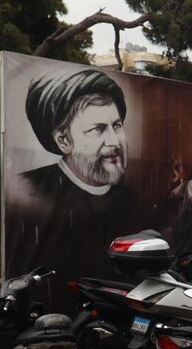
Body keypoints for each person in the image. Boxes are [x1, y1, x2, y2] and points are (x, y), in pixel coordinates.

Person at [8, 67, 134, 280]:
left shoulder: (132, 198)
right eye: (98, 129)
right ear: (63, 141)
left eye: (117, 126)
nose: (114, 141)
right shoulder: (28, 195)